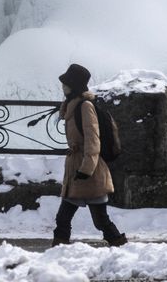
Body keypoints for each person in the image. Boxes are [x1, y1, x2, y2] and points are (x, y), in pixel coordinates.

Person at [52, 63, 128, 247]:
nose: (63, 87)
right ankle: (58, 248)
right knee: (63, 217)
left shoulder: (85, 106)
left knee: (100, 220)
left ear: (75, 85)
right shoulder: (73, 105)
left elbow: (93, 140)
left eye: (66, 83)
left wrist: (86, 169)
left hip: (89, 171)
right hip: (77, 169)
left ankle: (119, 245)